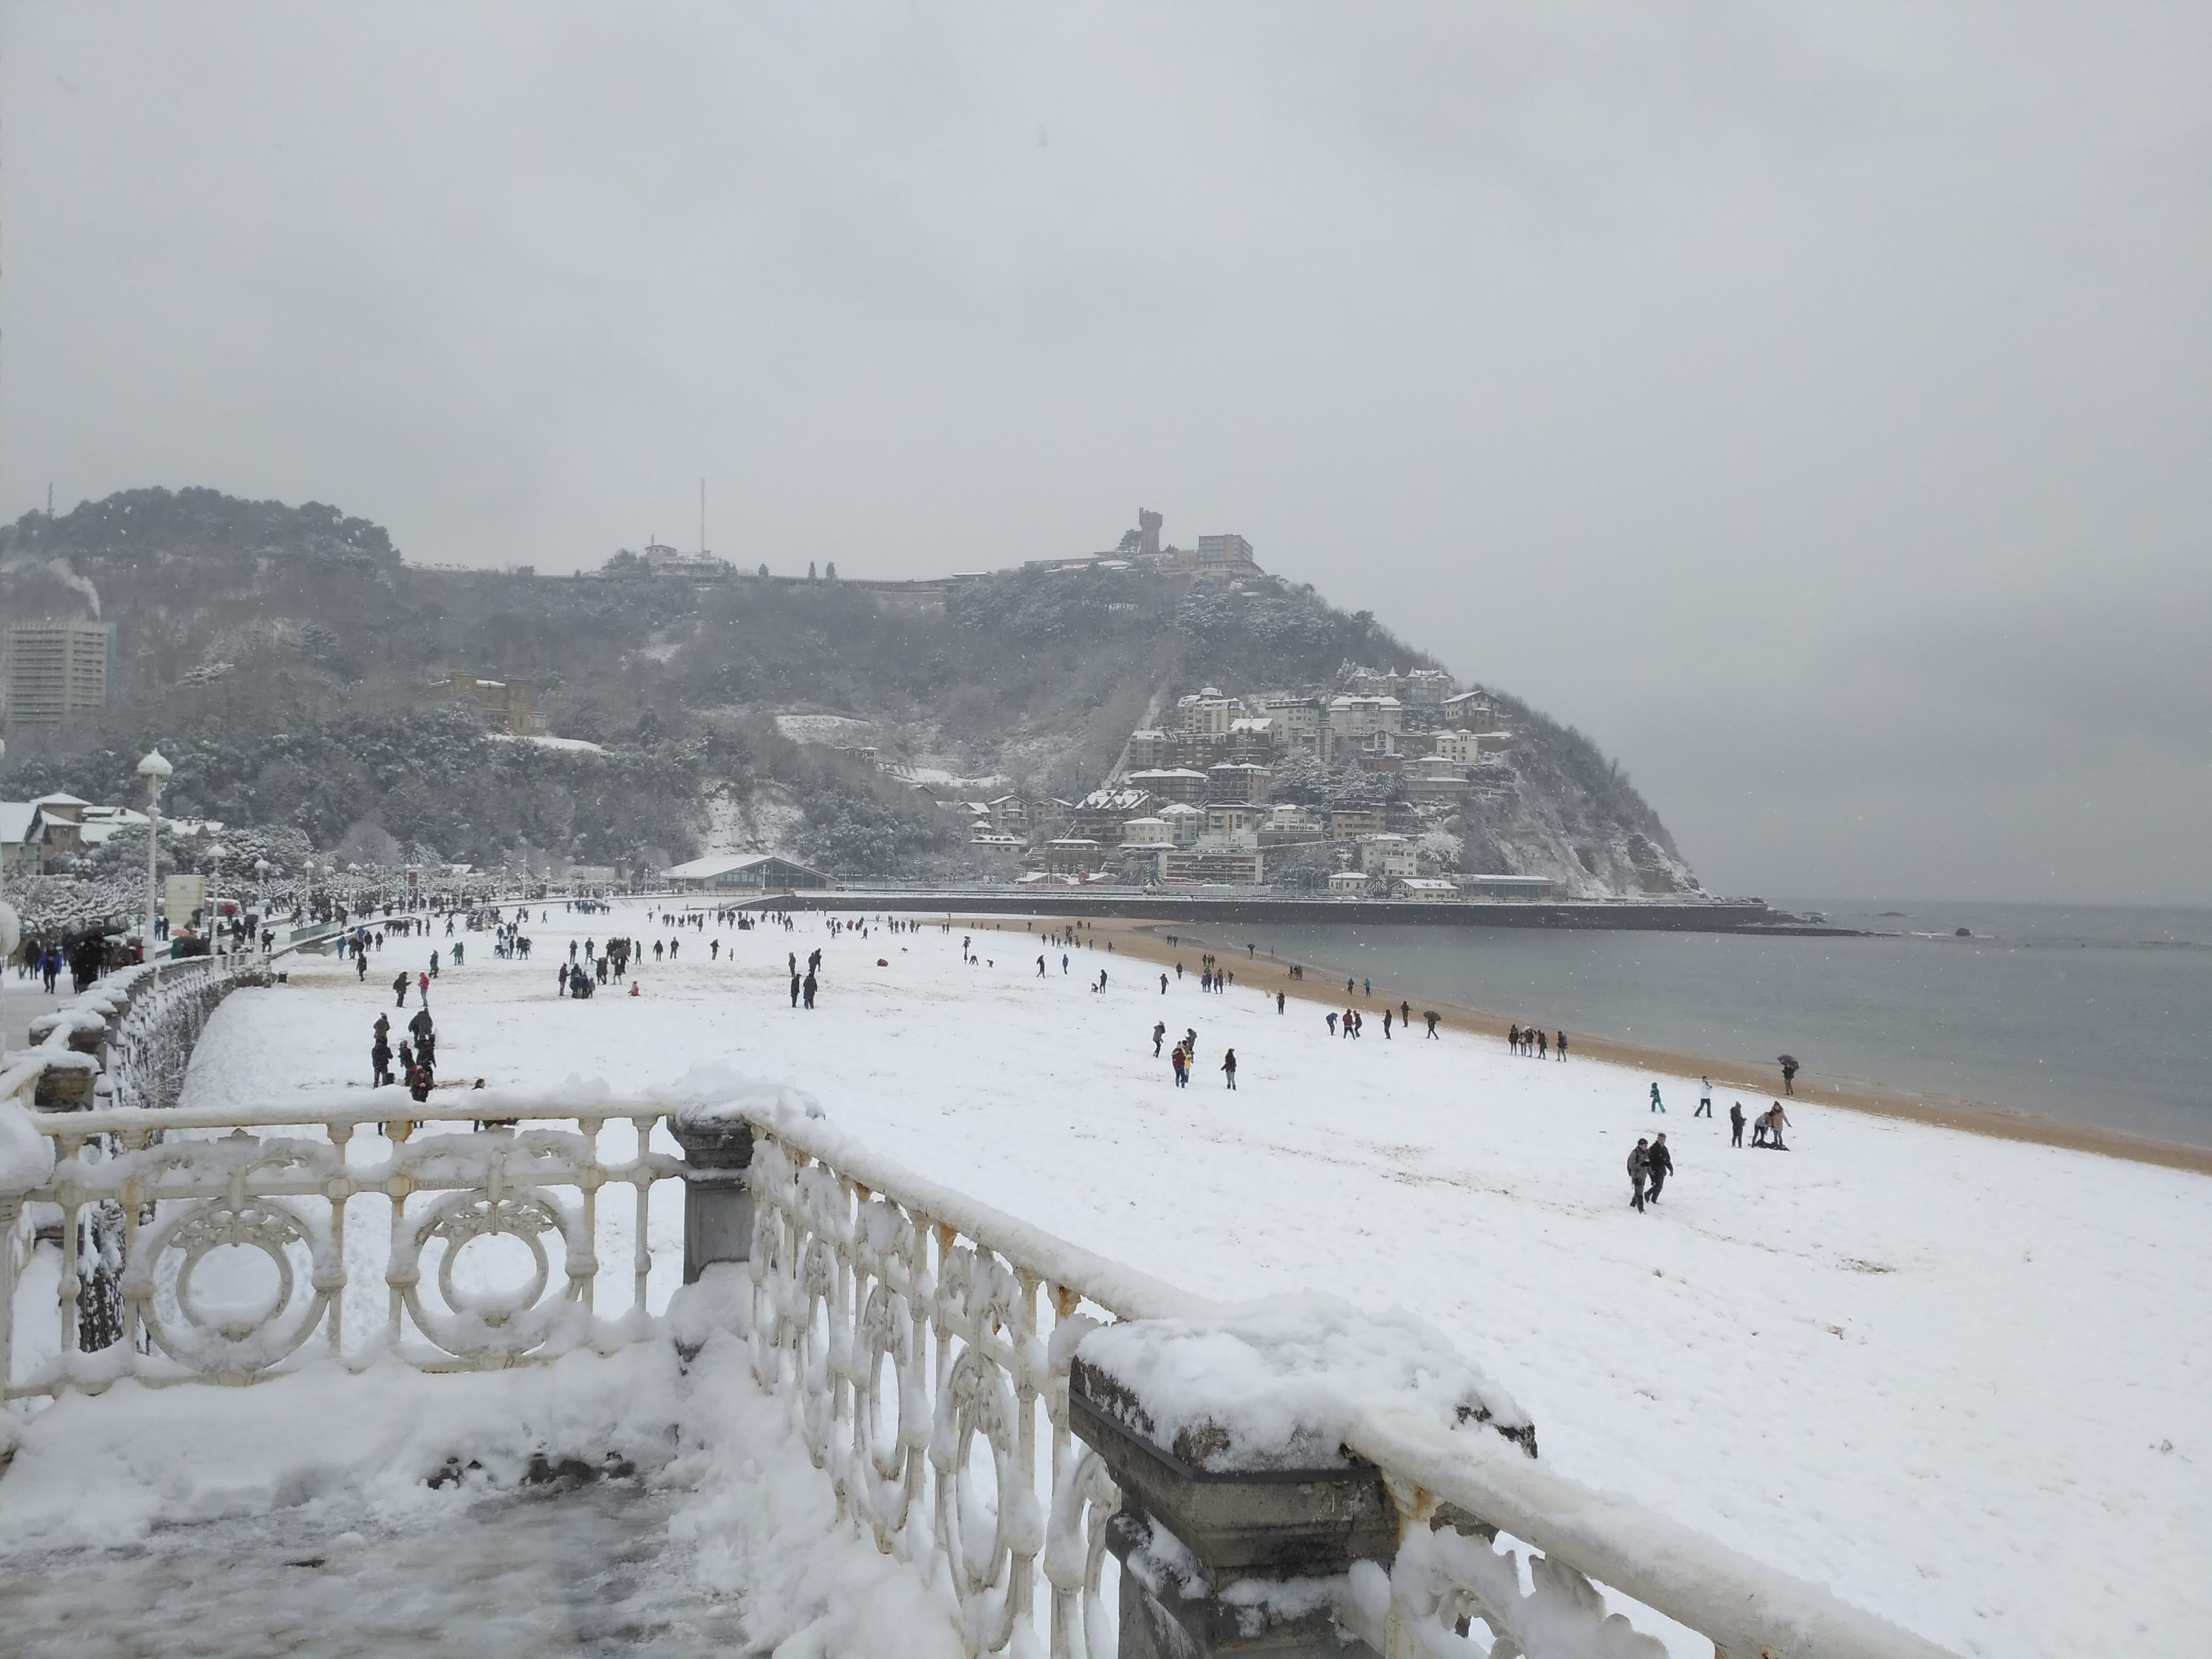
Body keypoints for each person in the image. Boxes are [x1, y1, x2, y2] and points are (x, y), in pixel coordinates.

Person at [1646, 1132, 1673, 1203]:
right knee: (1658, 1186)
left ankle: (1653, 1199)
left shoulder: (1665, 1149)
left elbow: (1667, 1160)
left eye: (1663, 1140)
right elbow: (1648, 1159)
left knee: (1659, 1187)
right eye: (1660, 1139)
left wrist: (1671, 1169)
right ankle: (1647, 1194)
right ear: (1657, 1139)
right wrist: (1649, 1169)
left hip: (1662, 1171)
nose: (1662, 1141)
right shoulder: (1653, 1148)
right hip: (1655, 1170)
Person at [1628, 1138, 1651, 1213]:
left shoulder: (1646, 1153)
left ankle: (1633, 1204)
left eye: (1646, 1145)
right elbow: (1631, 1165)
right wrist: (1641, 1165)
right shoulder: (1635, 1153)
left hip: (1643, 1176)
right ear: (1640, 1145)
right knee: (1639, 1193)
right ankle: (1641, 1210)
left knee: (1639, 1191)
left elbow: (1648, 1166)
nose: (1646, 1147)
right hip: (1636, 1176)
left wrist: (1652, 1175)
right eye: (1644, 1145)